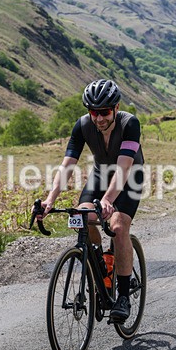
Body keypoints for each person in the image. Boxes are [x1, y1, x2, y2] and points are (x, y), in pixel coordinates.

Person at [39, 79, 144, 322]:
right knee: (81, 215)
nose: (99, 118)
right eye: (94, 112)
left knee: (118, 227)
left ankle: (124, 295)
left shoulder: (130, 124)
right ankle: (101, 268)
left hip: (129, 177)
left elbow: (124, 168)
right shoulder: (83, 126)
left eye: (104, 112)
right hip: (99, 176)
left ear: (116, 108)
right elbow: (67, 166)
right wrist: (50, 200)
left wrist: (108, 201)